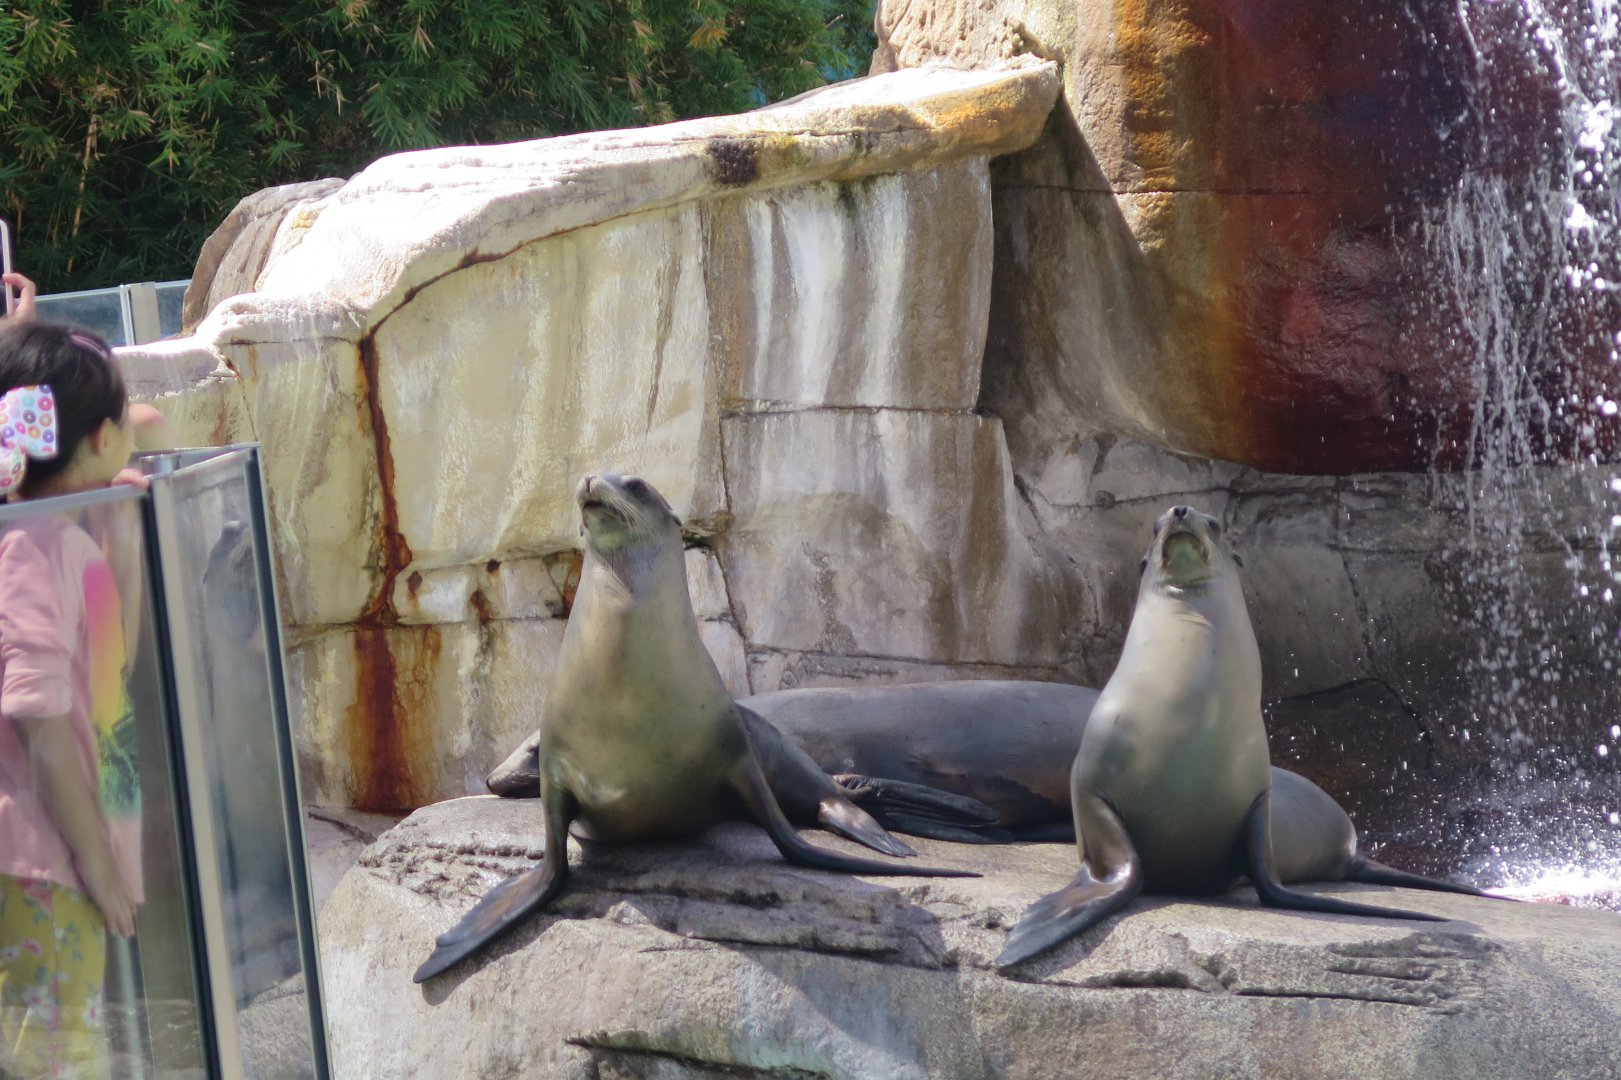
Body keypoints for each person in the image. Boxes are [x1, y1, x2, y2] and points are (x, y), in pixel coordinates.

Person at [0, 320, 150, 1078]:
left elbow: (108, 669)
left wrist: (120, 536)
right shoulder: (33, 545)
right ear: (98, 438)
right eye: (126, 419)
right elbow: (39, 717)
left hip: (45, 856)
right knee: (58, 1060)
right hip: (39, 860)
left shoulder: (51, 530)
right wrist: (95, 855)